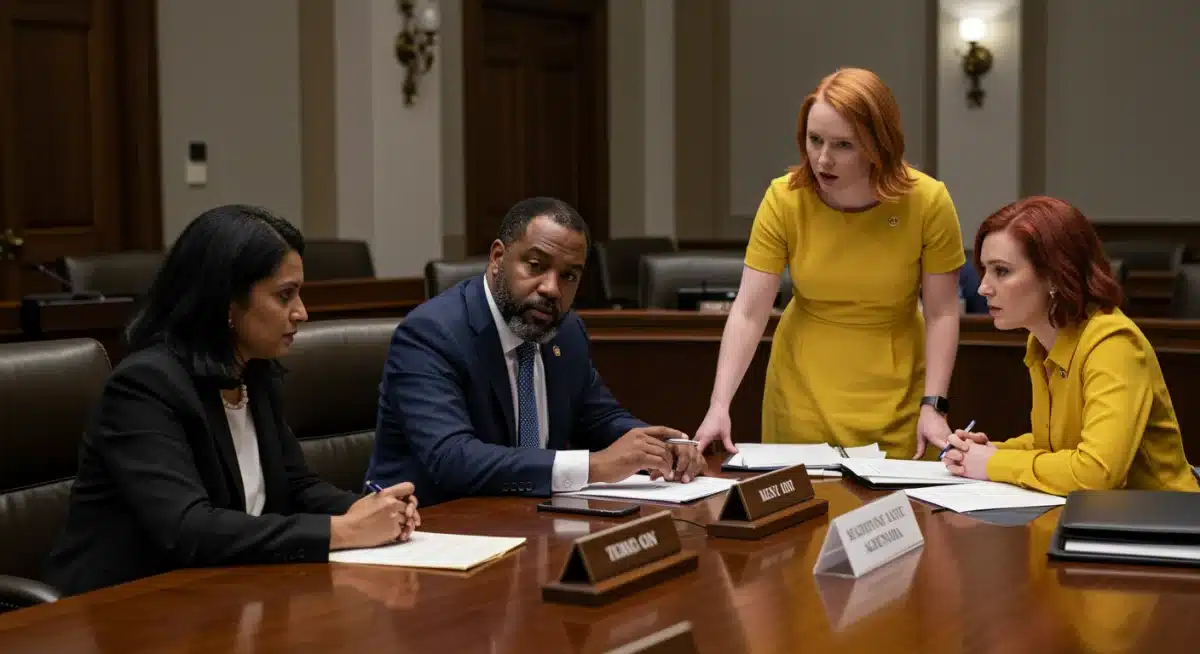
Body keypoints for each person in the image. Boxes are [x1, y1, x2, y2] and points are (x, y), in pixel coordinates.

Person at [45, 205, 420, 596]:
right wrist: (340, 531)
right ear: (226, 302)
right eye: (284, 295)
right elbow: (187, 528)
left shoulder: (253, 373)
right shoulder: (145, 387)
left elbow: (296, 486)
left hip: (219, 593)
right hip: (119, 610)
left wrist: (374, 509)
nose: (301, 313)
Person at [694, 67, 966, 460]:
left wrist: (934, 405)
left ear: (878, 144)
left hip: (896, 387)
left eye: (843, 145)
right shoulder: (784, 198)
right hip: (802, 385)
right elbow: (750, 310)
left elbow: (942, 313)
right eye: (814, 139)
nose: (823, 159)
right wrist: (719, 404)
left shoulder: (928, 201)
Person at [366, 197, 705, 506]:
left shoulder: (567, 332)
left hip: (527, 521)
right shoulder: (431, 334)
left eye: (569, 275)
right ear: (498, 258)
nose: (551, 288)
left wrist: (659, 450)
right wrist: (595, 466)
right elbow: (452, 459)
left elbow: (599, 417)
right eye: (536, 265)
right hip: (430, 532)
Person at [942, 196, 1200, 494]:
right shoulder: (1042, 341)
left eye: (1001, 271)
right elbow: (1055, 446)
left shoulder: (1114, 344)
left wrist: (993, 463)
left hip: (1162, 523)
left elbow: (1096, 473)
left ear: (1054, 274)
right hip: (1104, 520)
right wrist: (988, 452)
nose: (982, 287)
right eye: (984, 270)